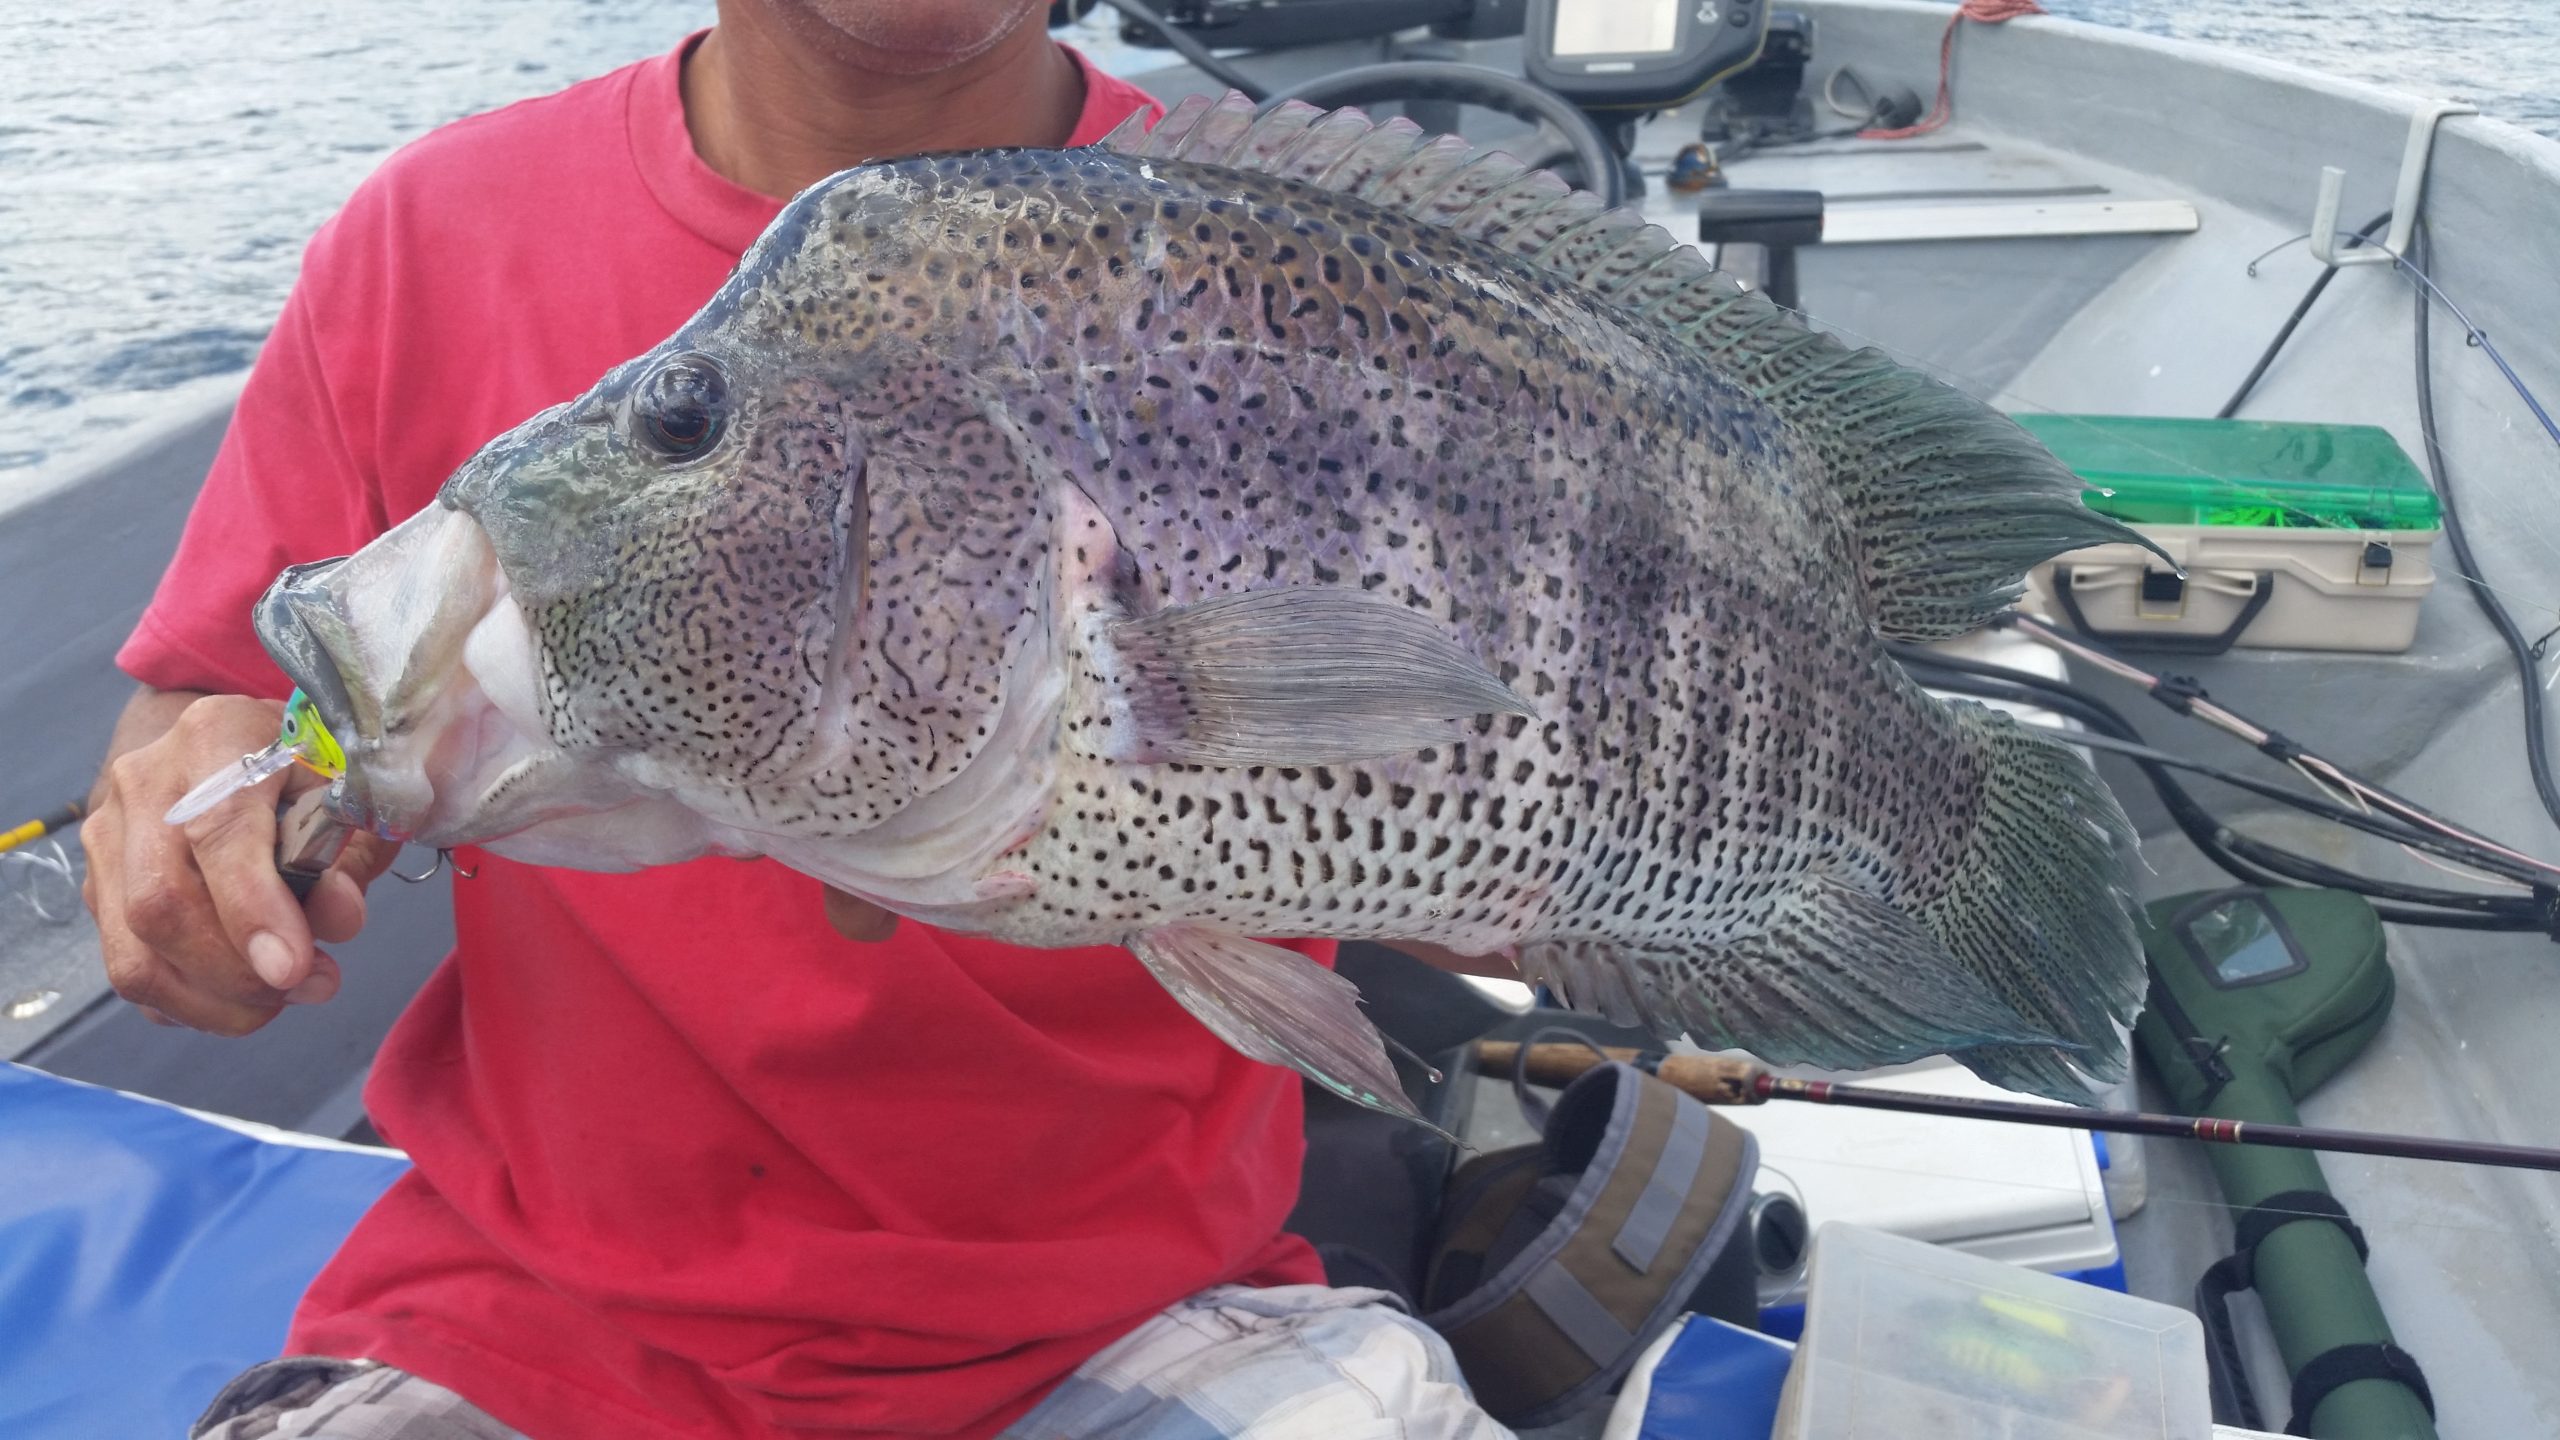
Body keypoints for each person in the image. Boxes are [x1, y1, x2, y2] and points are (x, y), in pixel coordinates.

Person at [78, 3, 1518, 1437]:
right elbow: (204, 708)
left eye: (684, 423)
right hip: (524, 1317)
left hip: (1163, 1321)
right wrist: (190, 833)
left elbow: (1509, 819)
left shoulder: (1292, 264)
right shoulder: (427, 237)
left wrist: (1535, 854)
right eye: (684, 421)